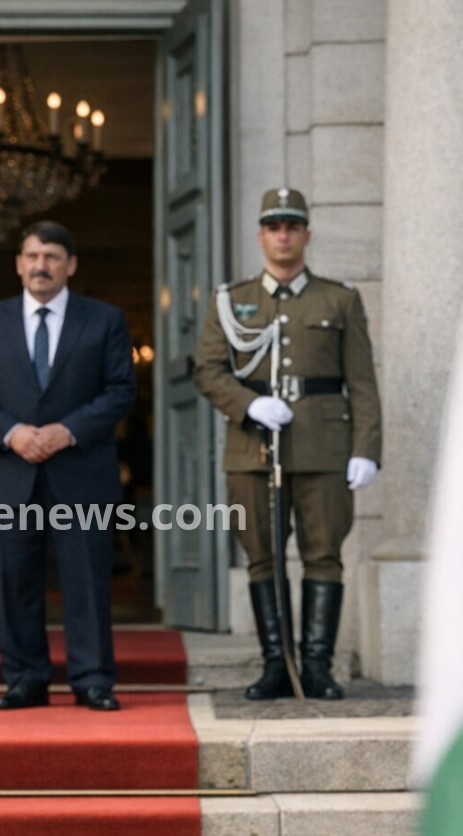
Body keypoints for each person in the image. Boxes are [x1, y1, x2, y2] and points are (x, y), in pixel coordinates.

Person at [193, 187, 382, 700]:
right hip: (252, 448)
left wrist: (366, 448)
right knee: (261, 556)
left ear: (306, 235)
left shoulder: (339, 299)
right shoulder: (230, 301)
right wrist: (249, 405)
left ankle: (317, 668)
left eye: (292, 227)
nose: (283, 236)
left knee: (324, 554)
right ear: (260, 236)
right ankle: (277, 666)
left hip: (324, 445)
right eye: (274, 227)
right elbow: (207, 370)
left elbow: (362, 382)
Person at [0, 220, 136, 711]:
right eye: (33, 256)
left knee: (88, 582)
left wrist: (67, 430)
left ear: (70, 265)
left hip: (81, 471)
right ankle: (25, 679)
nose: (41, 265)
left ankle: (93, 680)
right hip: (8, 473)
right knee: (13, 582)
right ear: (18, 264)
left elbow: (121, 390)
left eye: (52, 257)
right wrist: (12, 433)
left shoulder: (104, 320)